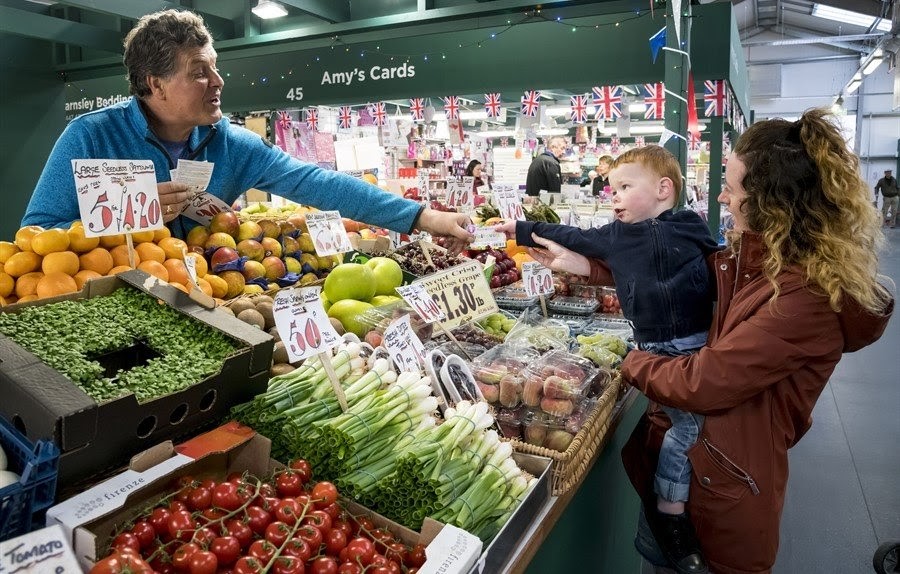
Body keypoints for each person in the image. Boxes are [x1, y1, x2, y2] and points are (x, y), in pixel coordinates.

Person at [517, 109, 894, 574]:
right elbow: (678, 282)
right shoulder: (759, 261)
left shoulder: (804, 296)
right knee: (659, 557)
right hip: (697, 462)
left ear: (770, 203)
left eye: (731, 189)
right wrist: (591, 269)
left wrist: (632, 363)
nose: (720, 196)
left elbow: (706, 382)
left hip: (724, 480)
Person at [22, 9, 472, 254]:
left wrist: (423, 218)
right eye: (199, 72)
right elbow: (36, 232)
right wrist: (127, 215)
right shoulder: (90, 138)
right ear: (154, 83)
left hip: (211, 305)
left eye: (215, 68)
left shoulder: (231, 143)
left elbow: (317, 182)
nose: (218, 82)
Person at [495, 145, 720, 574]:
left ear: (663, 189)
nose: (612, 196)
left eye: (623, 187)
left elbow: (718, 268)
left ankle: (671, 506)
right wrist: (522, 230)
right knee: (688, 427)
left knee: (687, 426)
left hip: (697, 344)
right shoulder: (616, 236)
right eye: (611, 188)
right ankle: (671, 511)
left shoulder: (691, 226)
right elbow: (575, 238)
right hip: (653, 348)